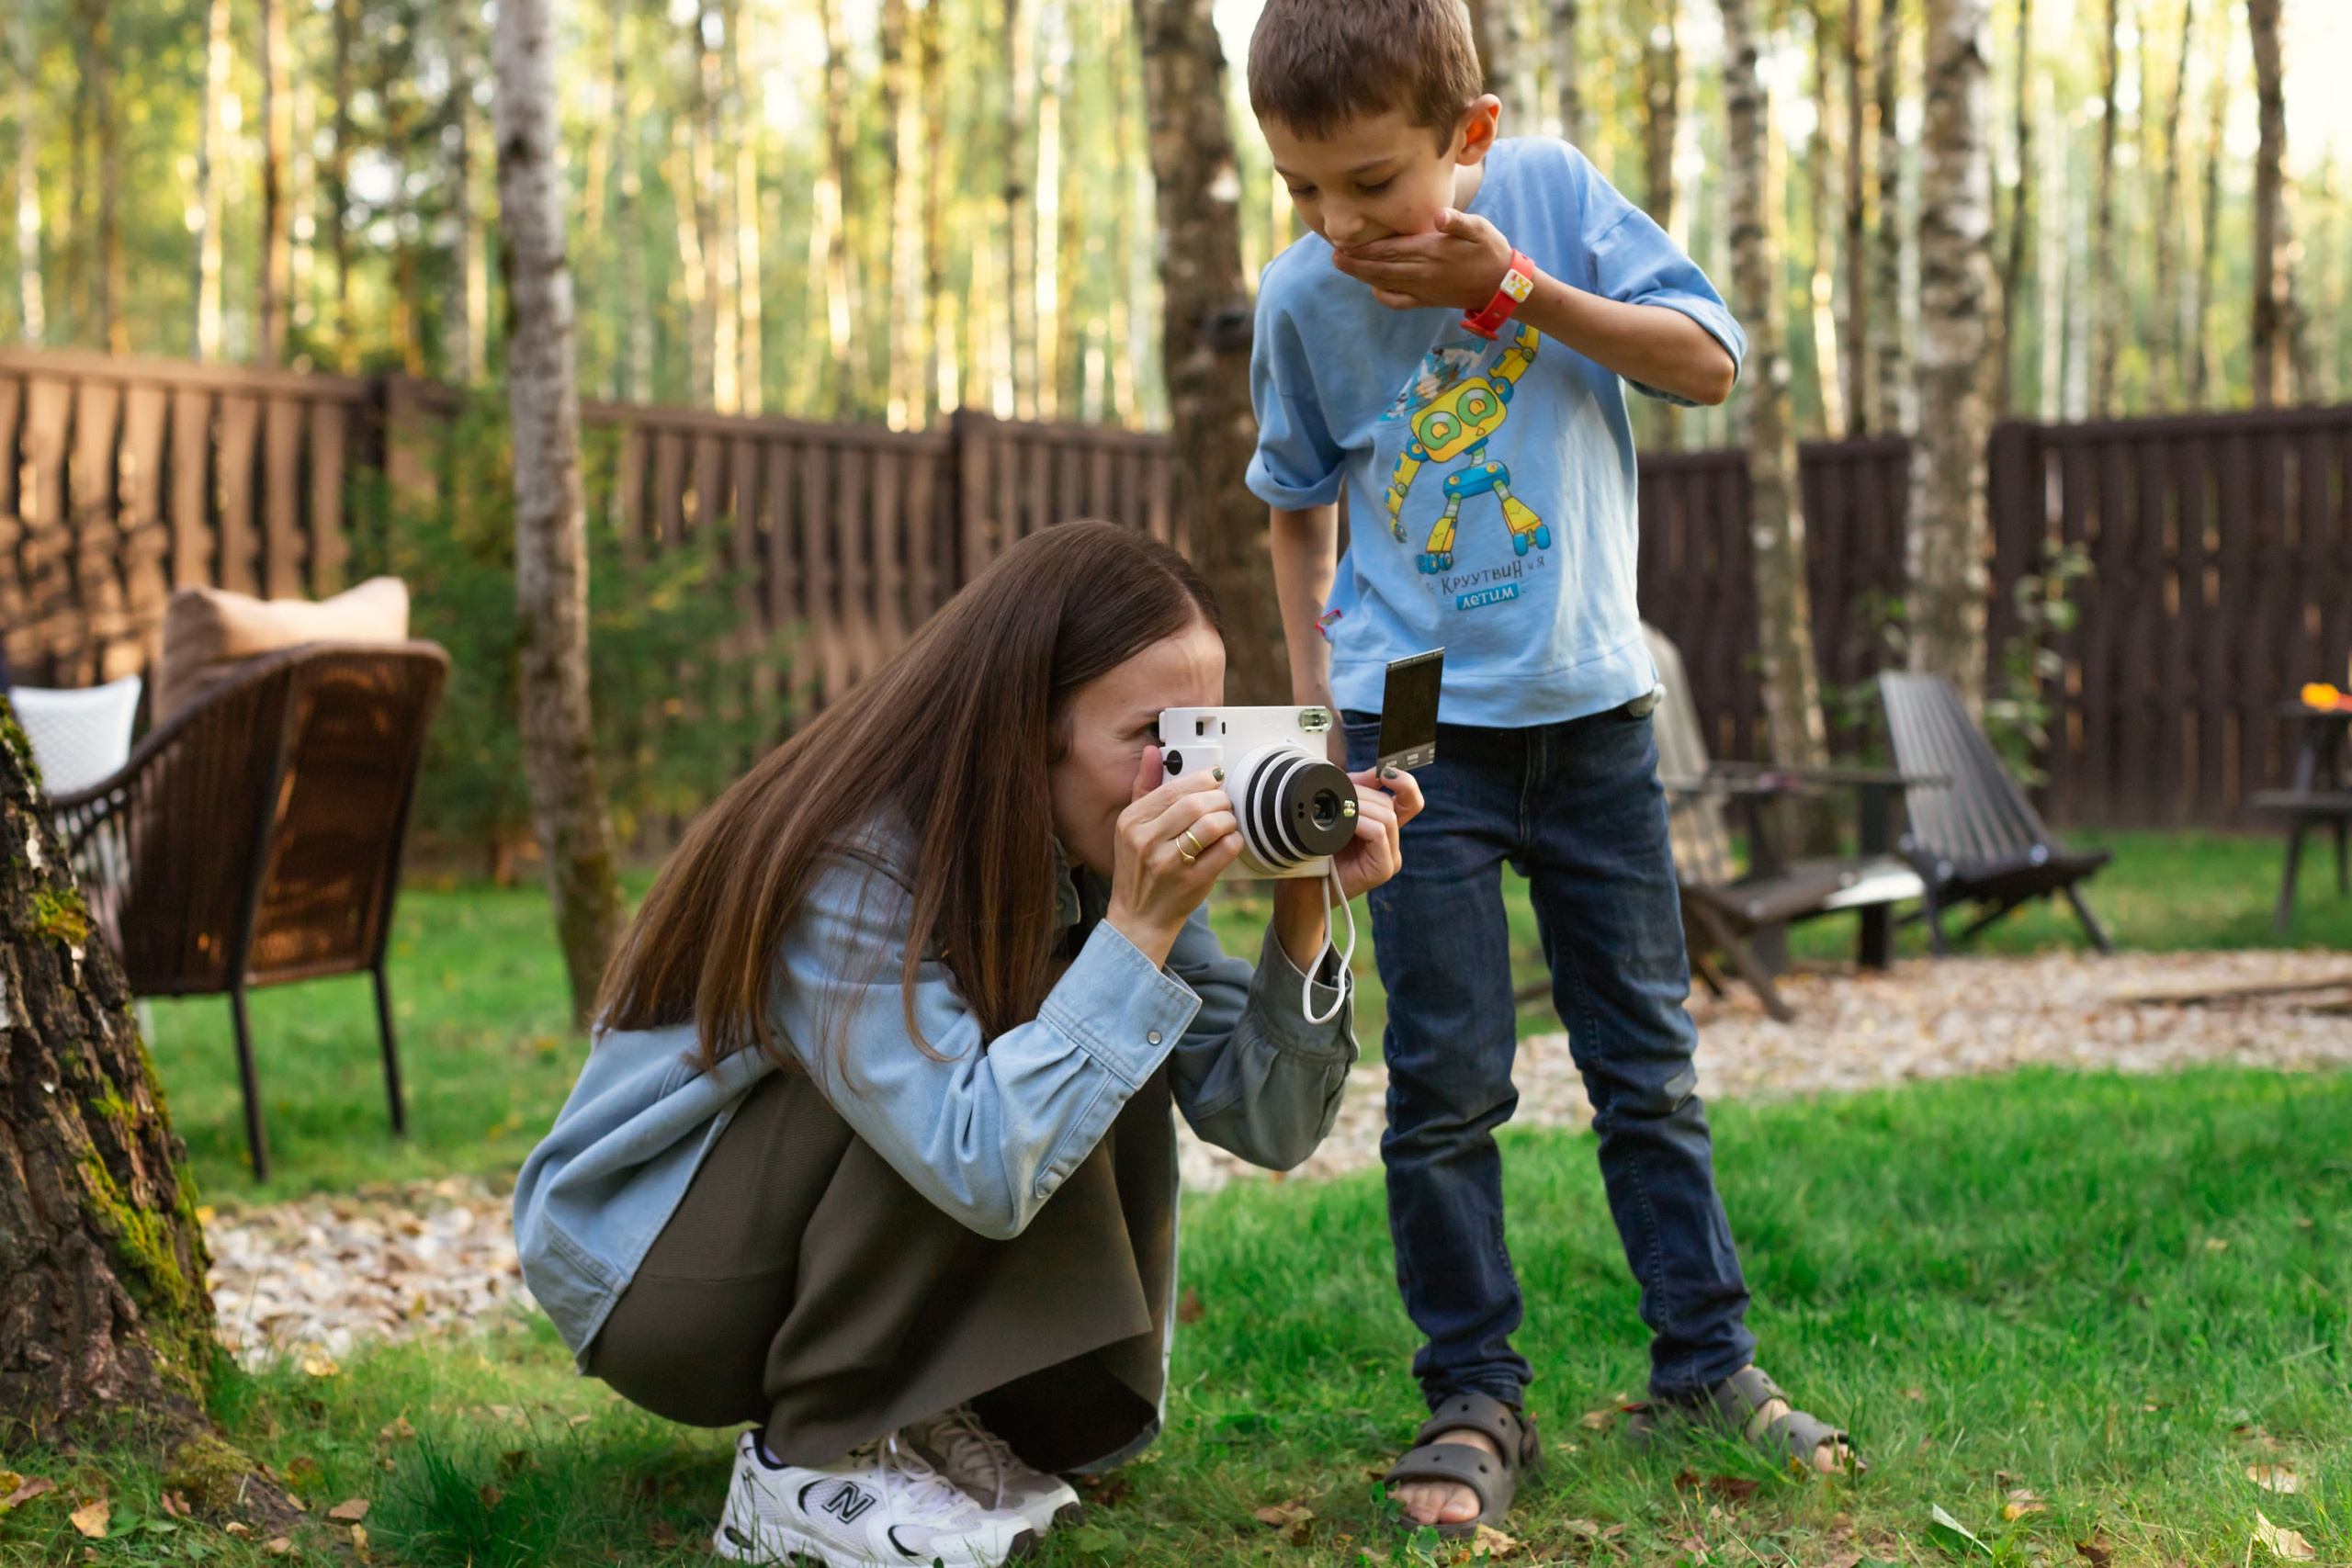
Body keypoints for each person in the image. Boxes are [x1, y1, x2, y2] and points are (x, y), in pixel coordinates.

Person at [1241, 0, 1860, 1539]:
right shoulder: (1298, 301)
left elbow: (1710, 363)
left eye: (1372, 183)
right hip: (1421, 720)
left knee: (1645, 1063)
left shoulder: (1562, 198)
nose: (1336, 223)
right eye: (1301, 188)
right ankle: (1472, 1394)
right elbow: (1295, 504)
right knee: (1445, 1082)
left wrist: (1511, 285)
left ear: (1472, 137)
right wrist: (1326, 727)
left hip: (1590, 702)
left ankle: (1707, 1363)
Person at [513, 522, 1420, 1568]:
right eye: (1149, 736)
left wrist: (1307, 907)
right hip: (663, 1281)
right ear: (1027, 726)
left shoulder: (1104, 845)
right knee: (1087, 998)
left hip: (785, 1249)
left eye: (1200, 732)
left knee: (1107, 999)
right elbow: (976, 1159)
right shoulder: (856, 852)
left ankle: (916, 1408)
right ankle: (808, 1466)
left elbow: (1260, 1123)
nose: (1182, 774)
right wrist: (1133, 937)